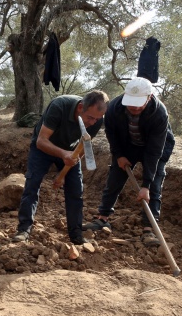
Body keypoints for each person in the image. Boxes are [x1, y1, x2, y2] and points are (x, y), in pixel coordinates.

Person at [82, 77, 175, 246]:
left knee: (154, 185)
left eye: (138, 104)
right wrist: (118, 154)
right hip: (127, 145)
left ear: (149, 98)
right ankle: (102, 218)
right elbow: (111, 132)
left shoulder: (159, 114)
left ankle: (149, 230)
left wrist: (145, 185)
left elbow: (154, 150)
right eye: (131, 103)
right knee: (114, 179)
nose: (133, 107)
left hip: (154, 147)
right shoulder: (115, 108)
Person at [12, 90, 109, 245]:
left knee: (76, 191)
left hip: (70, 151)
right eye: (90, 118)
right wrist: (64, 155)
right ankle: (23, 229)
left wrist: (64, 173)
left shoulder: (96, 119)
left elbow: (83, 145)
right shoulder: (60, 105)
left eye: (97, 119)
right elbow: (41, 141)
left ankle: (76, 234)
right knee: (32, 184)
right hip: (43, 148)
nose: (93, 122)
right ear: (80, 107)